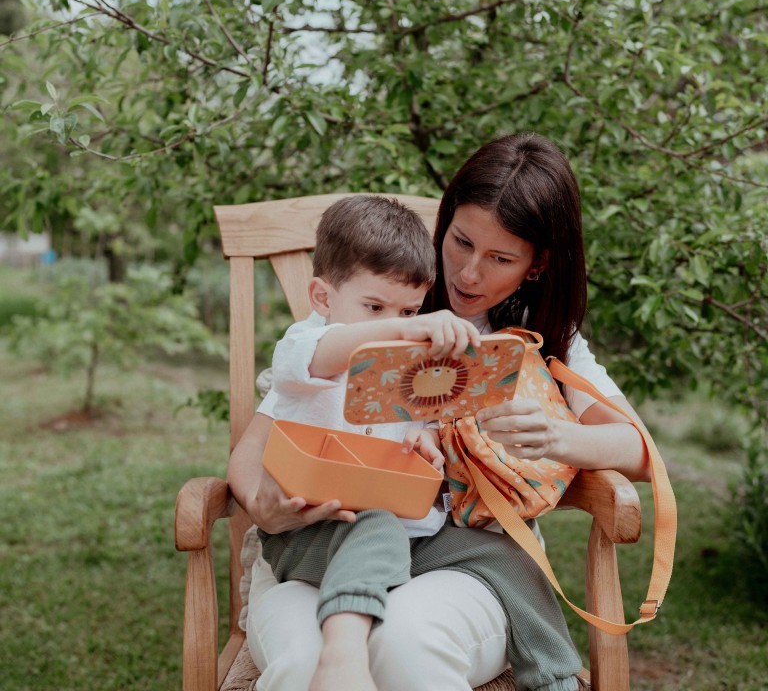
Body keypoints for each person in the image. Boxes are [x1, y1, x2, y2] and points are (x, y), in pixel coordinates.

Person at [228, 132, 652, 691]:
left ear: (536, 264)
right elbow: (259, 444)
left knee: (408, 642)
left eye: (500, 258)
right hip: (325, 542)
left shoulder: (541, 338)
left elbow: (639, 450)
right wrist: (264, 508)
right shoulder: (379, 299)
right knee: (307, 659)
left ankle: (554, 675)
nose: (469, 274)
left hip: (453, 555)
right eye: (460, 242)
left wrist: (554, 436)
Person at [258, 195, 481, 691]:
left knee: (498, 553)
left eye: (410, 308)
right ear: (322, 298)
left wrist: (424, 438)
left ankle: (553, 673)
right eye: (374, 307)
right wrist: (403, 325)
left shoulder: (409, 362)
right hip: (311, 533)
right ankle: (342, 656)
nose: (394, 323)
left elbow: (422, 421)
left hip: (403, 537)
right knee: (376, 525)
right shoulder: (305, 345)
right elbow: (324, 357)